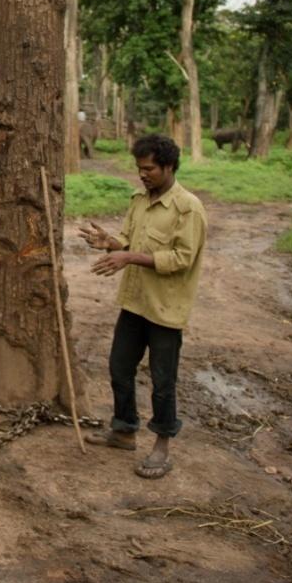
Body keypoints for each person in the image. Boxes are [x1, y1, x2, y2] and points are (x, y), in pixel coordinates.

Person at [79, 133, 207, 480]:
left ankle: (162, 446)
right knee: (119, 366)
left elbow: (182, 258)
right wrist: (110, 243)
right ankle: (123, 430)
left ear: (168, 167)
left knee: (163, 380)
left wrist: (129, 256)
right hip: (134, 303)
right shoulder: (138, 200)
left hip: (166, 309)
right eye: (139, 168)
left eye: (149, 168)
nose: (143, 174)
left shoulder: (188, 208)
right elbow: (129, 240)